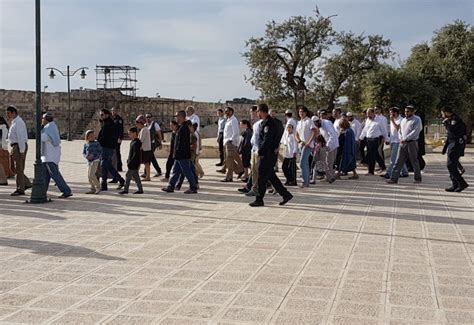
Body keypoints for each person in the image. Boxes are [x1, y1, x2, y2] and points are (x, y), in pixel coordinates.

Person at [249, 103, 293, 207]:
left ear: (261, 111)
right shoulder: (269, 122)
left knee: (261, 177)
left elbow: (267, 140)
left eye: (258, 112)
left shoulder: (268, 123)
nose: (257, 114)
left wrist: (261, 151)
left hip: (267, 154)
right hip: (269, 153)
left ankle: (259, 199)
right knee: (271, 176)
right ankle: (285, 194)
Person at [162, 110, 198, 194]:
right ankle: (171, 186)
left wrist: (178, 152)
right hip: (178, 154)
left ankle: (193, 187)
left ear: (181, 117)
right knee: (175, 171)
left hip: (182, 154)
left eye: (177, 116)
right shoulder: (181, 127)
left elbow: (182, 143)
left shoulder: (184, 128)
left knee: (187, 171)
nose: (176, 118)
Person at [386, 105, 422, 184]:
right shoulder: (404, 120)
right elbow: (400, 130)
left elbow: (415, 131)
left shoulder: (417, 119)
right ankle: (393, 179)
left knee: (414, 160)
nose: (406, 113)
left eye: (408, 111)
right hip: (402, 143)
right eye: (405, 111)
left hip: (412, 142)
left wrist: (406, 138)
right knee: (398, 161)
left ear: (412, 112)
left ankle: (417, 178)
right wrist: (401, 138)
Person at [40, 112, 72, 198]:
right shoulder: (49, 127)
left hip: (50, 155)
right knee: (45, 174)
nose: (42, 120)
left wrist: (39, 130)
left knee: (54, 174)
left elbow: (43, 138)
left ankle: (66, 190)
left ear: (46, 119)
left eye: (43, 119)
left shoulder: (49, 128)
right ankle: (42, 191)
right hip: (47, 155)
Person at [441, 107, 469, 192]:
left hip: (456, 144)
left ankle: (461, 183)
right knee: (452, 164)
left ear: (446, 112)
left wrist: (446, 123)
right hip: (452, 144)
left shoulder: (455, 120)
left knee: (450, 165)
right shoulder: (451, 119)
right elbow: (450, 135)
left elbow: (452, 130)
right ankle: (455, 184)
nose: (442, 115)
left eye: (442, 113)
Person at [6, 105, 32, 196]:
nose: (7, 115)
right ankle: (27, 183)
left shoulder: (19, 123)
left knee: (19, 168)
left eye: (9, 113)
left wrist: (22, 151)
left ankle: (20, 188)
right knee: (14, 168)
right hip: (14, 147)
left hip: (18, 146)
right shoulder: (14, 122)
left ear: (14, 113)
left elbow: (21, 138)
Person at [97, 108, 124, 191]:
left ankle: (104, 184)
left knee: (104, 165)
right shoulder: (107, 123)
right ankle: (121, 180)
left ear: (107, 115)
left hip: (107, 147)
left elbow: (104, 137)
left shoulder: (109, 124)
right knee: (108, 166)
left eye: (102, 115)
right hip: (108, 147)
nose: (101, 116)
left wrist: (97, 143)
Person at [359, 108, 388, 176]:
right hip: (368, 139)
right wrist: (361, 137)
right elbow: (365, 130)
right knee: (375, 154)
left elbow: (384, 130)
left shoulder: (380, 120)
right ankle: (383, 166)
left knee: (371, 154)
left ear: (373, 113)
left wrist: (387, 139)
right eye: (367, 113)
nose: (367, 115)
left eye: (369, 113)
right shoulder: (367, 120)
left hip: (376, 139)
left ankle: (370, 170)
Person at [383, 107, 408, 179]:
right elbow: (391, 131)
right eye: (390, 113)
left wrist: (392, 121)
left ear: (396, 113)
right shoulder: (393, 119)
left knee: (393, 159)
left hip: (398, 141)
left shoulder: (401, 120)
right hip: (392, 141)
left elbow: (398, 128)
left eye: (392, 113)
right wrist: (388, 139)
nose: (391, 114)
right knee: (399, 158)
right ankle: (405, 172)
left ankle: (389, 173)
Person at [296, 106, 317, 187]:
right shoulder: (299, 122)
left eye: (303, 112)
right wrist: (298, 140)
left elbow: (314, 131)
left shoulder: (309, 121)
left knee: (302, 163)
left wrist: (309, 142)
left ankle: (305, 181)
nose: (301, 113)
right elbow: (296, 133)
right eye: (300, 112)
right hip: (301, 145)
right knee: (305, 163)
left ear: (306, 112)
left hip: (308, 145)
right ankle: (307, 181)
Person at [222, 106, 244, 182]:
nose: (226, 113)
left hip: (231, 143)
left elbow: (236, 132)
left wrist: (231, 140)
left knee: (229, 159)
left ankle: (240, 169)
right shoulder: (228, 120)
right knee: (229, 160)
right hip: (227, 142)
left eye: (227, 111)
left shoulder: (233, 120)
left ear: (231, 112)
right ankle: (230, 176)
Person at [315, 113, 339, 183]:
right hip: (329, 144)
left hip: (331, 145)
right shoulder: (320, 125)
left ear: (318, 121)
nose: (316, 126)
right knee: (328, 162)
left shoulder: (326, 123)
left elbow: (332, 135)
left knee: (329, 162)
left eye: (316, 124)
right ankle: (329, 177)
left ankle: (329, 178)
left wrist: (328, 145)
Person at [119, 127, 144, 195]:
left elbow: (136, 154)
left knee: (128, 175)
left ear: (134, 133)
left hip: (134, 163)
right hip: (132, 162)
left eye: (130, 134)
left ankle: (125, 190)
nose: (129, 135)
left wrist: (131, 162)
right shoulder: (132, 142)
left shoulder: (137, 142)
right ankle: (140, 189)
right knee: (136, 176)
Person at [83, 130, 102, 194]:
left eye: (93, 136)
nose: (92, 137)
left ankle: (98, 187)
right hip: (89, 161)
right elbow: (84, 152)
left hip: (95, 161)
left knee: (92, 175)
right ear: (87, 137)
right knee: (89, 176)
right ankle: (92, 188)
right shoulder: (86, 144)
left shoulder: (97, 143)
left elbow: (100, 152)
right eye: (90, 136)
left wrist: (94, 156)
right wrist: (86, 156)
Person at [374, 106, 389, 172]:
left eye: (376, 109)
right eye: (374, 109)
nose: (375, 111)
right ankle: (380, 166)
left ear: (380, 110)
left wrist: (385, 138)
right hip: (374, 137)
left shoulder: (383, 118)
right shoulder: (374, 117)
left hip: (380, 137)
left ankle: (383, 166)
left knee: (379, 151)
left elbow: (385, 128)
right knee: (376, 152)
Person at [111, 107, 124, 172]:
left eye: (114, 111)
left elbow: (121, 129)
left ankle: (119, 167)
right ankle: (114, 165)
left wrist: (120, 138)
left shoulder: (119, 119)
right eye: (112, 111)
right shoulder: (112, 119)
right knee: (113, 152)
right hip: (112, 138)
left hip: (117, 139)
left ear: (117, 111)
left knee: (117, 152)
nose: (113, 112)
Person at [0, 117, 11, 186]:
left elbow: (3, 139)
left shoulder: (2, 128)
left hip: (1, 148)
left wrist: (2, 147)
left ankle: (3, 180)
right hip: (2, 148)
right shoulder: (3, 128)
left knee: (1, 165)